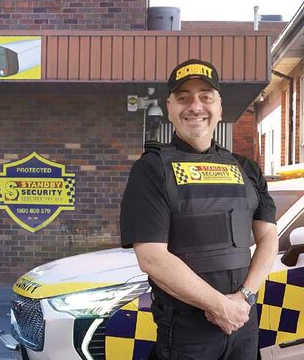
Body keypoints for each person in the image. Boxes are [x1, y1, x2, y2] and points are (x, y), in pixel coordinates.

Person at [119, 59, 278, 360]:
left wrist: (243, 297)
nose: (195, 106)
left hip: (243, 323)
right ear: (169, 107)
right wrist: (220, 306)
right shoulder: (152, 169)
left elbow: (269, 236)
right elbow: (152, 257)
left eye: (206, 96)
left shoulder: (246, 169)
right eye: (183, 98)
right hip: (187, 333)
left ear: (219, 106)